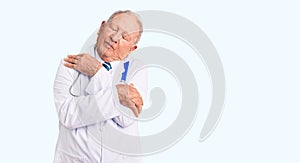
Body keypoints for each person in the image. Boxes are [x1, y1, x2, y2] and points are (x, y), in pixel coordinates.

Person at [53, 10, 147, 163]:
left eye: (124, 37)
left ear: (132, 49)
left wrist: (97, 71)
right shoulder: (69, 64)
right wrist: (118, 94)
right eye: (113, 28)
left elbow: (125, 118)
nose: (114, 38)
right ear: (101, 27)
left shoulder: (137, 69)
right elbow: (68, 115)